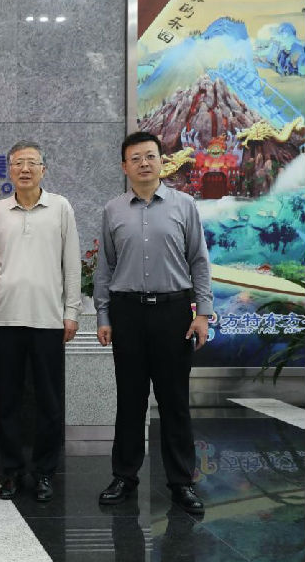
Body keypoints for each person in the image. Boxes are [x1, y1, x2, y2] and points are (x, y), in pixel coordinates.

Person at [94, 131, 211, 514]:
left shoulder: (184, 205)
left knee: (174, 400)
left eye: (150, 156)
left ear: (162, 161)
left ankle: (181, 481)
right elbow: (105, 267)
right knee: (129, 399)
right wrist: (103, 315)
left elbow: (199, 261)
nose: (144, 163)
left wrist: (203, 314)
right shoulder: (113, 210)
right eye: (136, 158)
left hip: (173, 312)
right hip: (127, 313)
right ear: (124, 166)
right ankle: (124, 476)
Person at [0, 140, 81, 502]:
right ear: (9, 170)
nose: (24, 169)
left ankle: (44, 473)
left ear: (43, 170)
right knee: (8, 401)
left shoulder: (60, 208)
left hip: (49, 320)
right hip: (6, 319)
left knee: (49, 402)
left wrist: (71, 312)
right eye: (18, 163)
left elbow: (72, 264)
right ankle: (11, 472)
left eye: (32, 163)